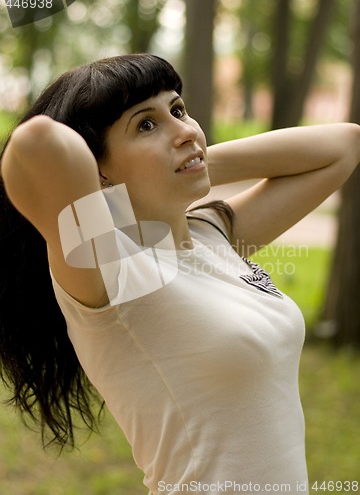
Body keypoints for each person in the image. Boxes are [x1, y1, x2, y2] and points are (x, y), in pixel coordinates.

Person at [0, 53, 359, 494]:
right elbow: (38, 142)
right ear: (99, 171)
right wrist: (124, 187)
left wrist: (190, 164)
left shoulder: (212, 234)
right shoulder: (110, 271)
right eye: (145, 125)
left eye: (178, 110)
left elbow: (345, 145)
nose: (185, 130)